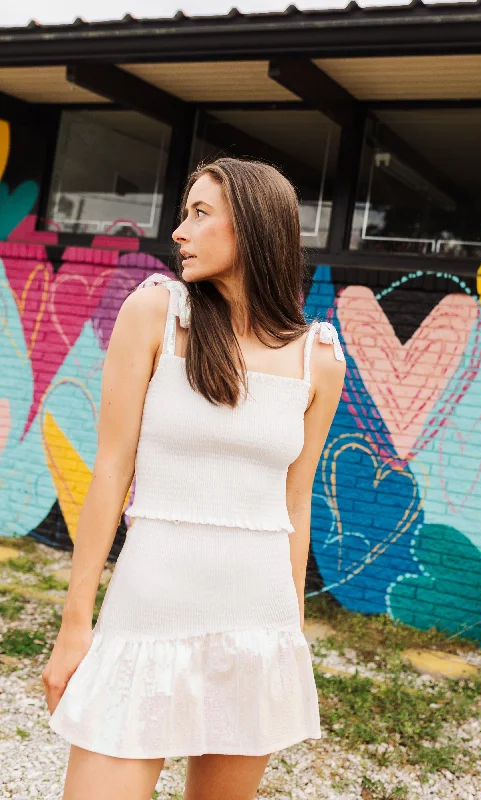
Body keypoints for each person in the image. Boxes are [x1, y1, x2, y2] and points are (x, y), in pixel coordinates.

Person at [41, 156, 346, 800]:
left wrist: (287, 636)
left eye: (200, 214)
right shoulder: (156, 313)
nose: (179, 231)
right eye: (185, 213)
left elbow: (296, 502)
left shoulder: (319, 360)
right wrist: (76, 625)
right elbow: (111, 473)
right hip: (148, 610)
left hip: (255, 621)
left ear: (256, 229)